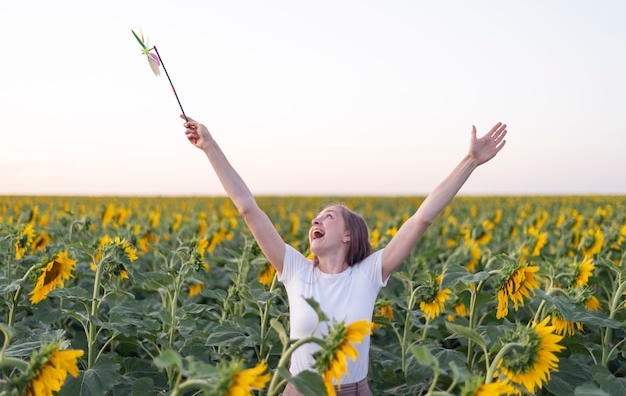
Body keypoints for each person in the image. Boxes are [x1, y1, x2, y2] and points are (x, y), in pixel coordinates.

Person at [182, 115, 507, 395]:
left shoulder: (367, 274)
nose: (315, 221)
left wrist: (470, 161)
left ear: (348, 235)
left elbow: (421, 219)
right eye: (316, 217)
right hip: (300, 389)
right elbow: (247, 208)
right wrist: (209, 145)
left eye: (328, 217)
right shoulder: (297, 271)